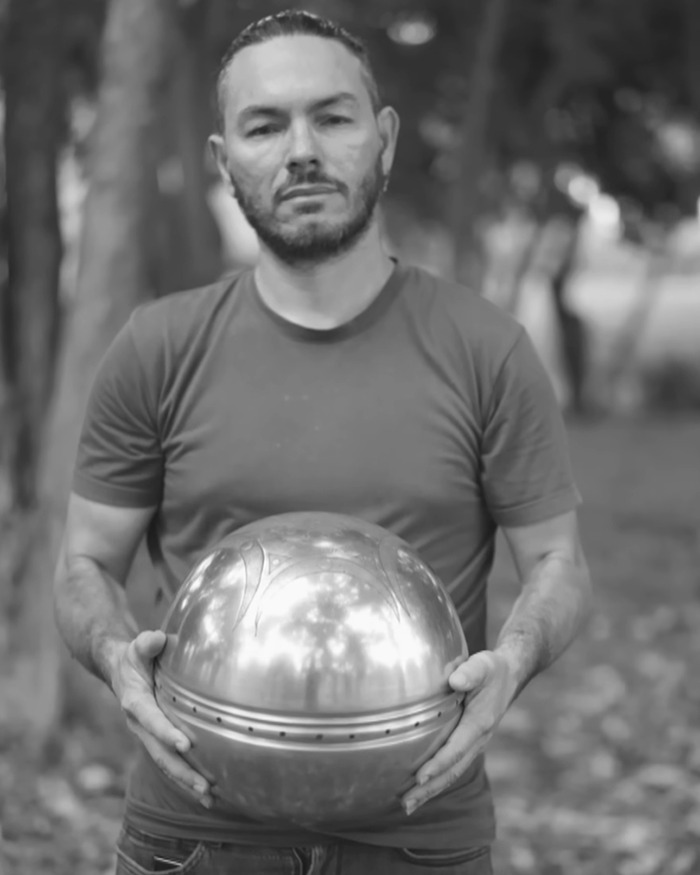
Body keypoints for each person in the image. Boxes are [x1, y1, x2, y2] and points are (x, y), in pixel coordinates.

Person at [53, 10, 592, 875]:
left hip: (420, 833)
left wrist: (512, 666)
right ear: (225, 161)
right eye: (264, 125)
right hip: (195, 832)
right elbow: (85, 562)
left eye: (331, 117)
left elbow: (558, 563)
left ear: (381, 138)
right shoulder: (156, 348)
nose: (301, 149)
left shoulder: (487, 348)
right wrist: (118, 659)